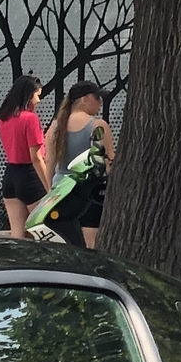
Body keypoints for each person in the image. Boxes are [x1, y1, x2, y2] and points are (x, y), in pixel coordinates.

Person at [38, 82, 116, 248]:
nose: (100, 102)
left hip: (61, 193)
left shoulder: (55, 127)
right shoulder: (98, 126)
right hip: (88, 194)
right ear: (84, 99)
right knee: (90, 244)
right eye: (97, 98)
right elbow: (109, 163)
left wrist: (49, 193)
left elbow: (50, 162)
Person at [0, 75, 46, 238]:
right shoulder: (30, 119)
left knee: (18, 232)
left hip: (10, 174)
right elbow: (36, 157)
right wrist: (49, 187)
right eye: (38, 95)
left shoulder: (4, 118)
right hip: (29, 175)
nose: (39, 101)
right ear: (29, 95)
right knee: (42, 230)